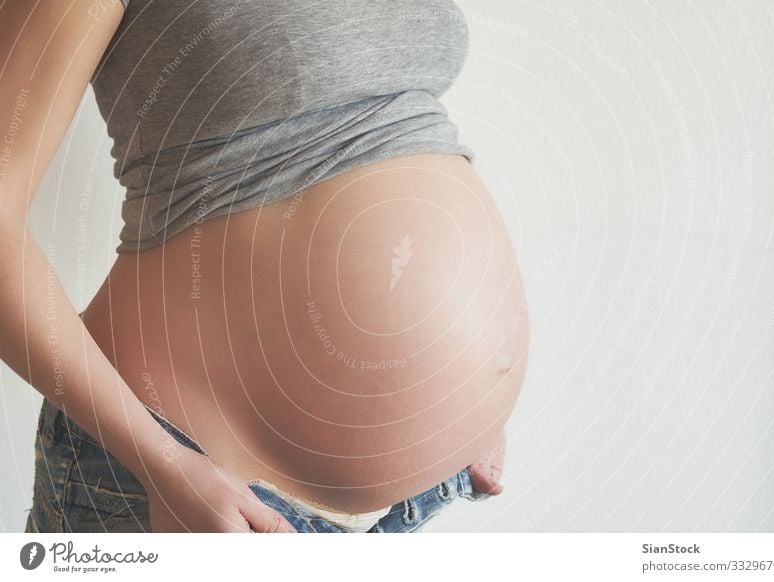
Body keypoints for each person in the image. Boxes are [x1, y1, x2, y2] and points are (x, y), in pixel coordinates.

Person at [2, 0, 528, 533]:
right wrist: (164, 463)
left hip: (419, 495)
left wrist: (458, 406)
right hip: (187, 482)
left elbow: (395, 121)